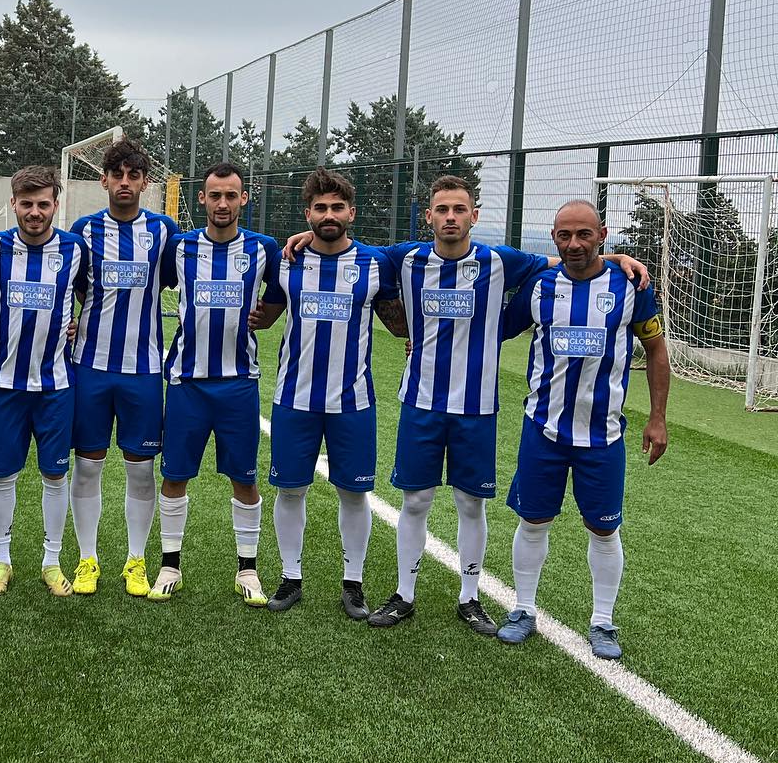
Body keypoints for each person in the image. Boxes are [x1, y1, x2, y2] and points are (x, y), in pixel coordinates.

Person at [284, 174, 646, 637]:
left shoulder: (501, 261)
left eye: (460, 210)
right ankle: (404, 595)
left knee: (470, 504)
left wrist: (612, 257)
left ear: (474, 216)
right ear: (428, 217)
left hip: (477, 407)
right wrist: (304, 236)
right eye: (442, 210)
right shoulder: (405, 259)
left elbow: (568, 260)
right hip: (421, 402)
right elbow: (345, 247)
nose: (451, 217)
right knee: (415, 501)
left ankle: (470, 598)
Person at [497, 199, 669, 660]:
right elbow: (495, 329)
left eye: (584, 235)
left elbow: (655, 349)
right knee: (533, 521)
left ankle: (603, 621)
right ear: (554, 238)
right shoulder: (539, 286)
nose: (574, 244)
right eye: (564, 235)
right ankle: (523, 609)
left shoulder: (630, 285)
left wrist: (657, 418)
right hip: (544, 430)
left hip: (603, 436)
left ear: (602, 234)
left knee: (603, 530)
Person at [259, 167, 406, 619]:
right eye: (320, 208)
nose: (328, 214)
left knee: (353, 494)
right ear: (308, 214)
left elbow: (399, 324)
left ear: (352, 213)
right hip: (294, 399)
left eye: (336, 207)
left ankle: (353, 583)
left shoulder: (377, 262)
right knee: (290, 491)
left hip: (353, 403)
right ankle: (290, 577)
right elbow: (262, 315)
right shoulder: (286, 260)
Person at [153, 162, 283, 605]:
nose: (223, 203)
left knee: (244, 479)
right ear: (203, 199)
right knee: (174, 475)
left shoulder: (265, 248)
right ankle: (170, 564)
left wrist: (267, 314)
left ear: (244, 199)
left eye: (231, 195)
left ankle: (247, 571)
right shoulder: (181, 247)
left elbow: (283, 292)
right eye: (215, 195)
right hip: (187, 381)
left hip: (239, 383)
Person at [68, 138, 179, 597]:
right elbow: (74, 287)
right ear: (104, 180)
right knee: (87, 466)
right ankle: (87, 559)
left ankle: (136, 560)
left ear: (145, 182)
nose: (126, 183)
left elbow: (176, 277)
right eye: (118, 175)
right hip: (89, 366)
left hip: (144, 369)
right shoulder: (82, 230)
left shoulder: (164, 231)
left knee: (140, 469)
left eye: (135, 176)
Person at [0, 165, 88, 597]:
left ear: (55, 206)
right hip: (6, 384)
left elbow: (94, 297)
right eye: (26, 204)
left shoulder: (76, 250)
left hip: (56, 386)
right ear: (13, 205)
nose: (35, 211)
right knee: (2, 476)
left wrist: (80, 322)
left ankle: (51, 560)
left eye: (43, 204)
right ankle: (1, 560)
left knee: (54, 477)